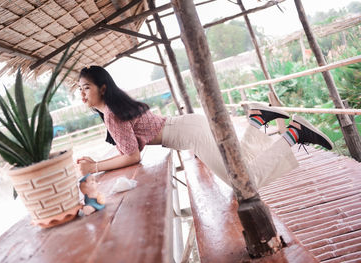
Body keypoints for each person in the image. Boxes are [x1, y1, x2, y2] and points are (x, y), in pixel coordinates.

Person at [76, 66, 333, 189]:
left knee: (244, 182)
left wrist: (95, 167)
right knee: (241, 162)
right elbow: (127, 149)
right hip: (189, 126)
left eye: (86, 87)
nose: (82, 94)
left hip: (191, 133)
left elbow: (132, 156)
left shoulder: (112, 114)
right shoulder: (112, 111)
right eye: (79, 89)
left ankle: (294, 133)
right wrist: (95, 162)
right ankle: (257, 118)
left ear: (103, 88)